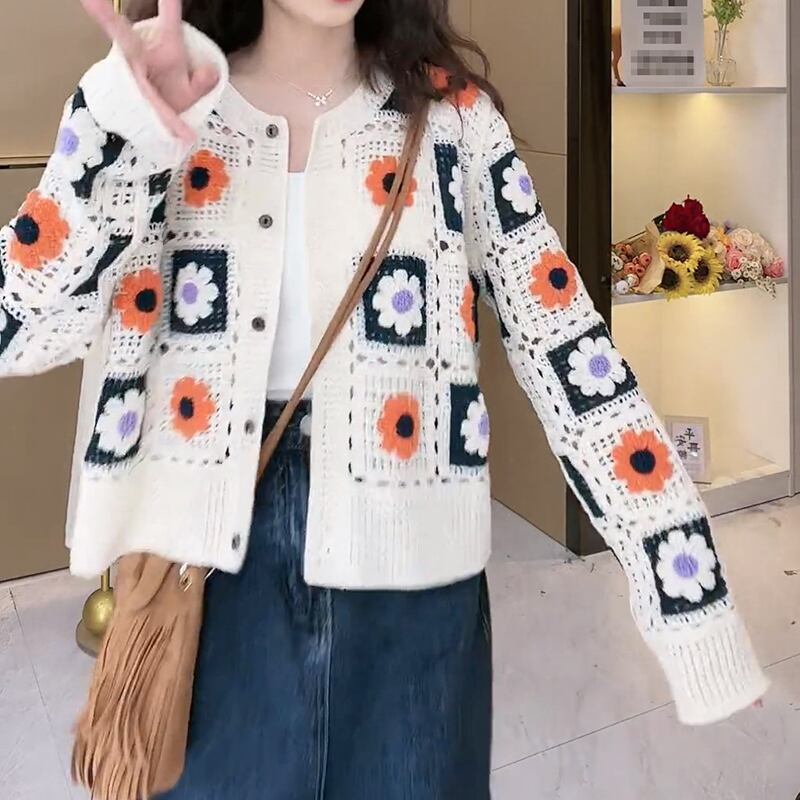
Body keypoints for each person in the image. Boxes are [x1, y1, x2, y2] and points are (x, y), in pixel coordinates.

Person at [0, 0, 767, 797]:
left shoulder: (453, 121)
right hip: (210, 587)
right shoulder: (162, 104)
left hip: (417, 596)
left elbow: (567, 345)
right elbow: (20, 329)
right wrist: (114, 127)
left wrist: (690, 599)